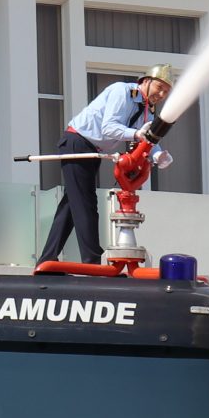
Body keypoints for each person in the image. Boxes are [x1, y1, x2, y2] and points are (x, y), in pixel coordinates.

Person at [37, 65, 178, 268]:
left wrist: (159, 155)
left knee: (71, 205)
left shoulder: (146, 109)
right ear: (146, 81)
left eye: (166, 92)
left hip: (91, 148)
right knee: (86, 203)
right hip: (78, 142)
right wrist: (137, 135)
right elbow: (110, 127)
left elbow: (147, 136)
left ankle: (47, 258)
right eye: (160, 87)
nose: (162, 94)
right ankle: (92, 259)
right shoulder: (123, 91)